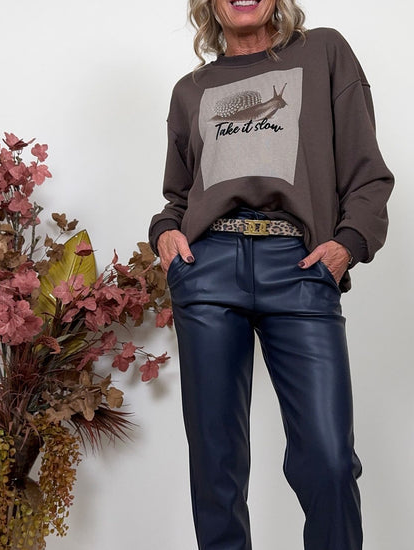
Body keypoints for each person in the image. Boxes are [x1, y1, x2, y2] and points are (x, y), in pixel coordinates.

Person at [148, 1, 394, 548]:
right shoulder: (191, 90)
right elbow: (180, 196)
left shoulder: (323, 52)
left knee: (329, 460)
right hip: (208, 268)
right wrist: (164, 231)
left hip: (299, 266)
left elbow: (368, 173)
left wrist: (348, 244)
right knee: (215, 462)